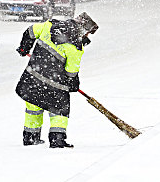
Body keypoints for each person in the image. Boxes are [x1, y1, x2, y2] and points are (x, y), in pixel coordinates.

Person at [15, 12, 98, 148]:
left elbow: (30, 32)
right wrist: (73, 85)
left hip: (32, 79)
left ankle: (30, 137)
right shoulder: (75, 47)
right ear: (83, 30)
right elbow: (71, 72)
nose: (87, 37)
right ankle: (56, 139)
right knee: (59, 109)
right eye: (88, 34)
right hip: (54, 85)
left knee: (33, 106)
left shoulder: (50, 26)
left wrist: (24, 48)